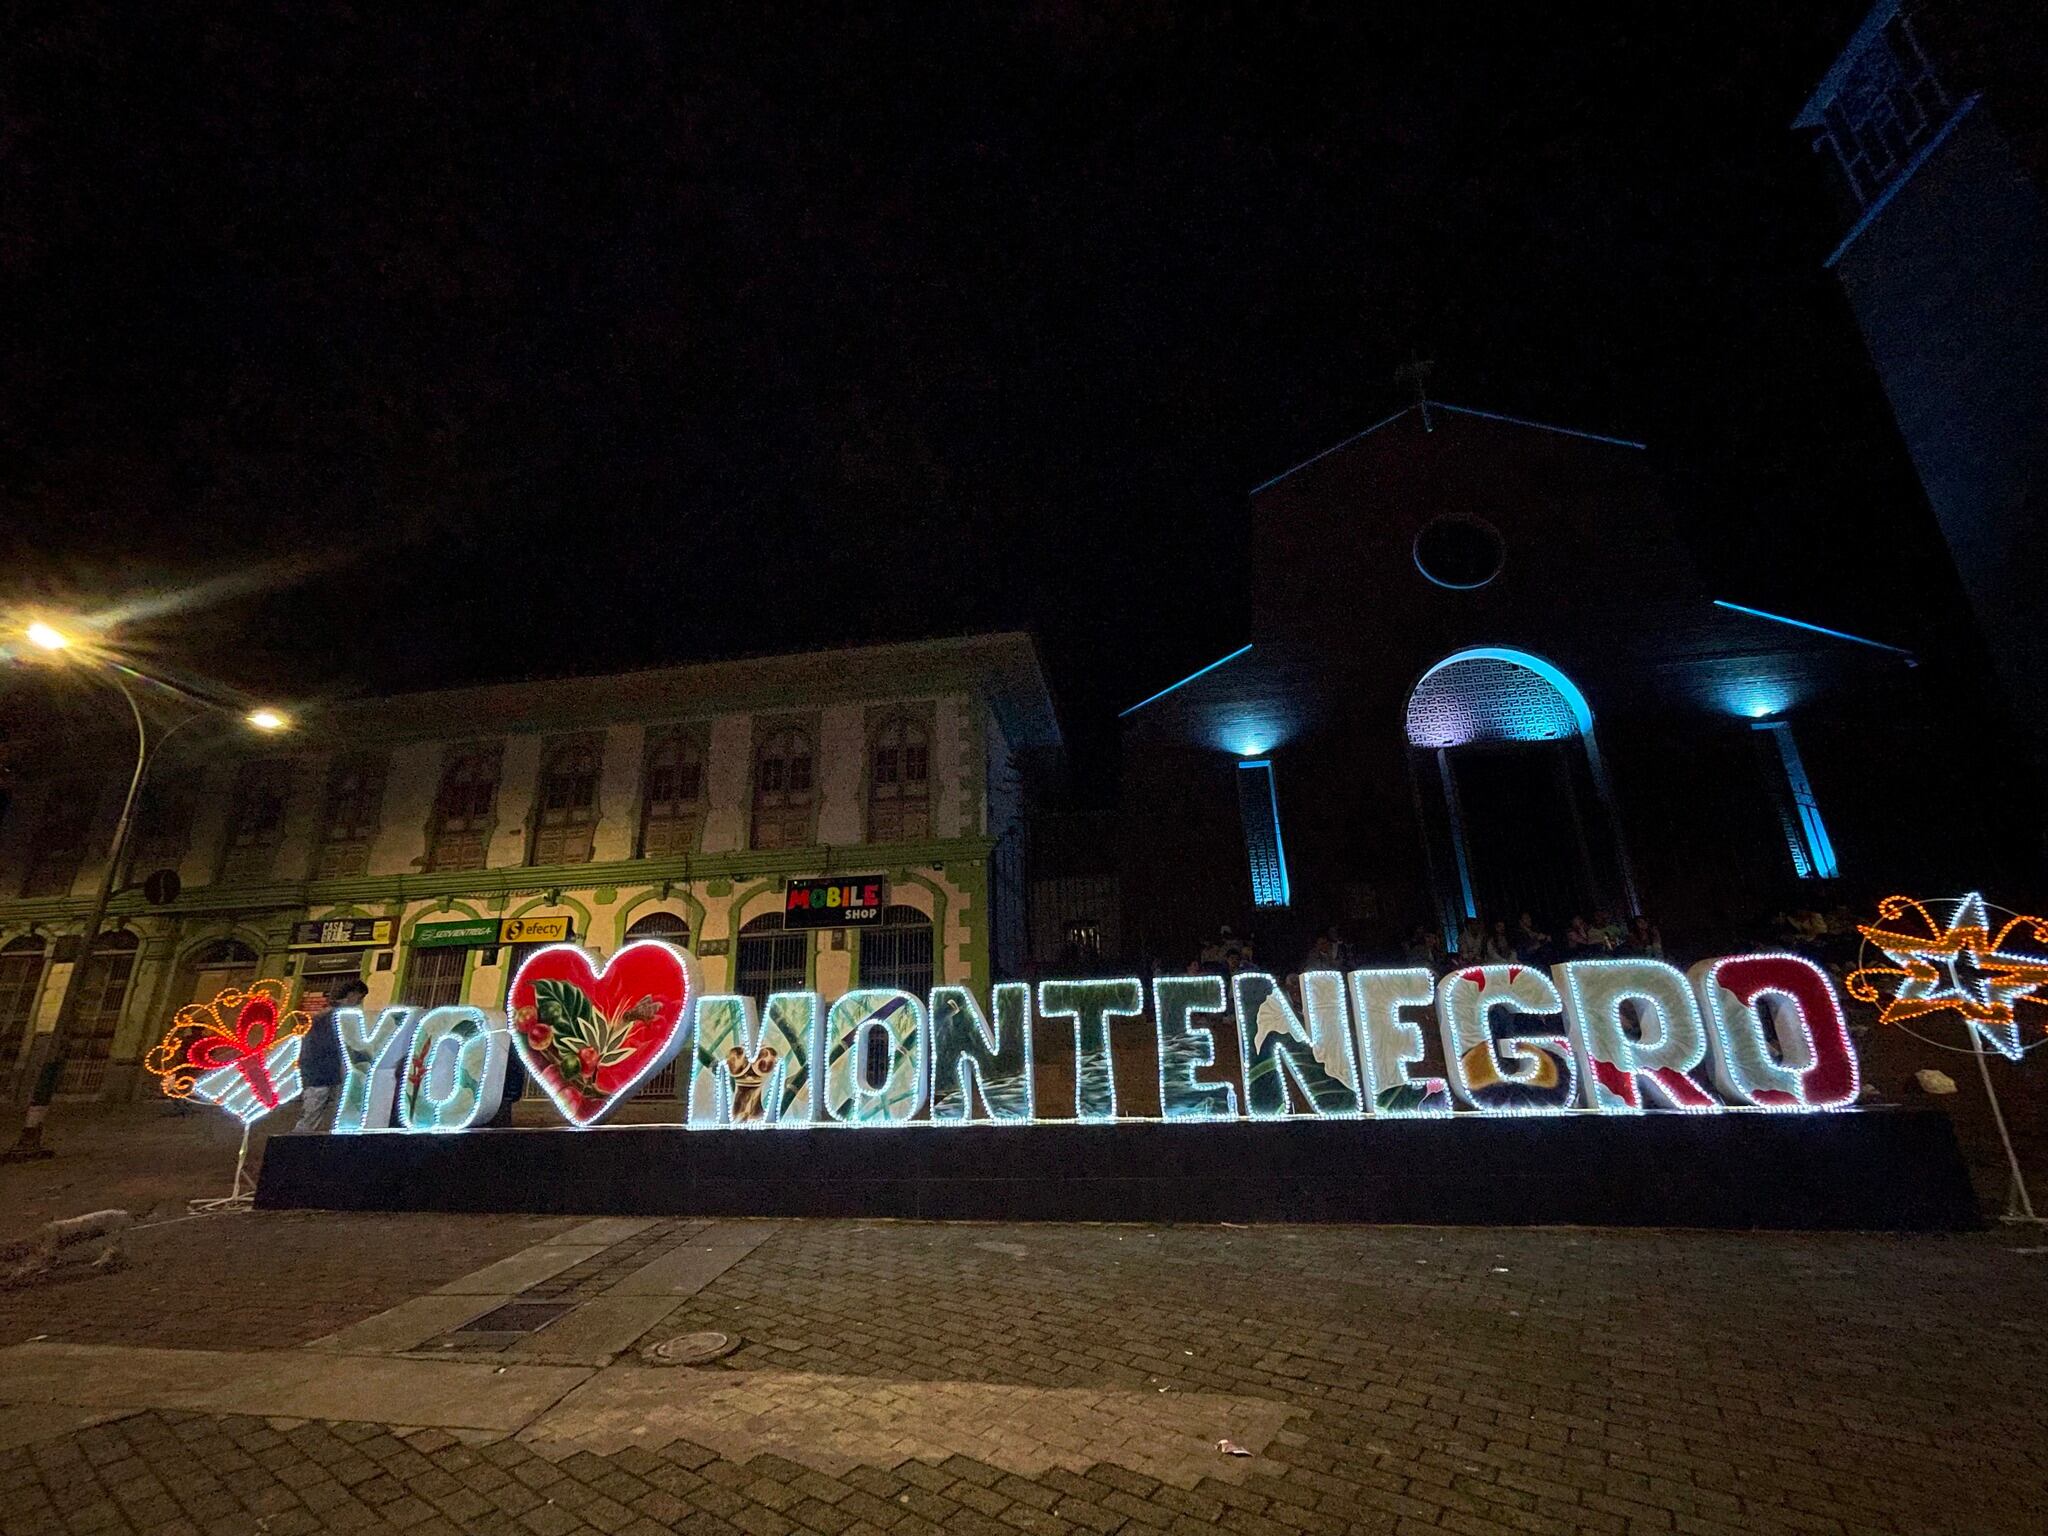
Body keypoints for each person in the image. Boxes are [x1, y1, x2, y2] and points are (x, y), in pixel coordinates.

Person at [294, 977, 365, 1132]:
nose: (359, 1003)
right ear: (352, 995)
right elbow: (339, 1046)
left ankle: (298, 1146)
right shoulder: (337, 1018)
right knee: (317, 1116)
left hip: (320, 1073)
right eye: (360, 998)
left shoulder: (324, 1016)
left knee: (312, 1116)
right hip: (324, 1073)